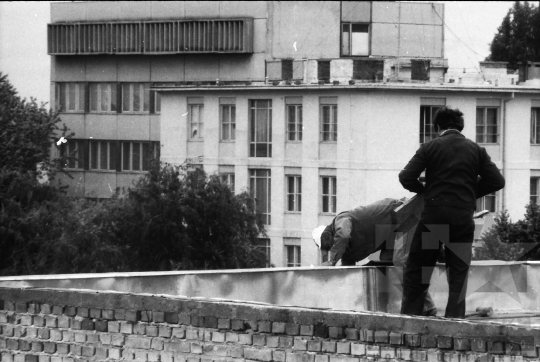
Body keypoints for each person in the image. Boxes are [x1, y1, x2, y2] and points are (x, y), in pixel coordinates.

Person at [398, 106, 505, 318]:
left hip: (434, 221)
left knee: (418, 271)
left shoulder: (430, 147)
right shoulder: (476, 150)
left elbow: (406, 177)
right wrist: (469, 193)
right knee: (458, 276)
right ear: (460, 127)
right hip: (462, 221)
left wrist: (425, 191)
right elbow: (497, 181)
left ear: (437, 127)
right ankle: (455, 325)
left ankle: (409, 322)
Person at [312, 198, 437, 316]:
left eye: (327, 244)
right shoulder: (347, 252)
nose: (329, 247)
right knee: (386, 262)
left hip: (401, 214)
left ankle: (427, 307)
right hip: (392, 232)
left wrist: (332, 260)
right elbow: (348, 272)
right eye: (327, 248)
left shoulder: (340, 219)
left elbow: (343, 234)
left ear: (327, 233)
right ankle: (414, 306)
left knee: (400, 260)